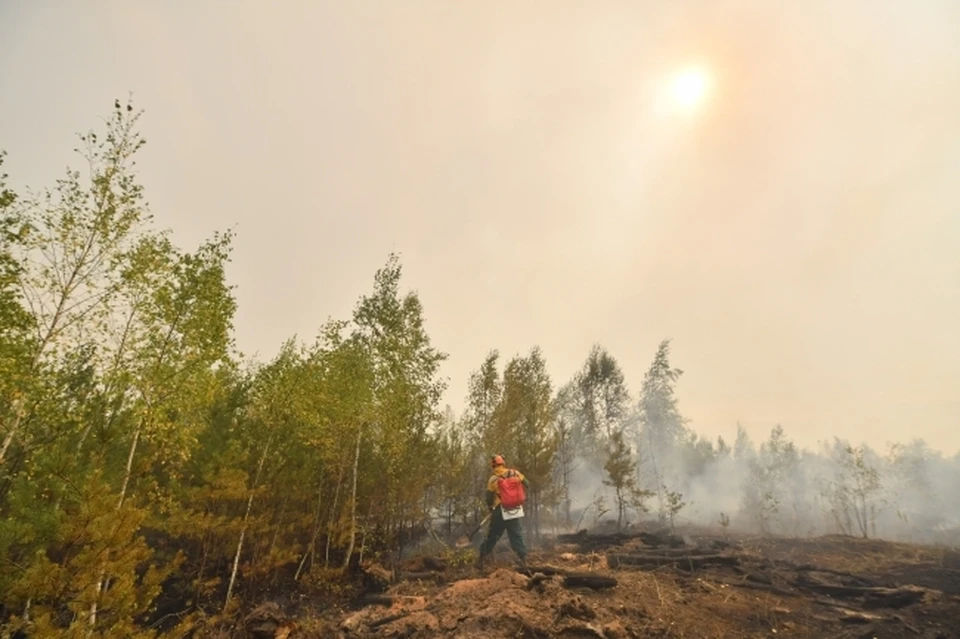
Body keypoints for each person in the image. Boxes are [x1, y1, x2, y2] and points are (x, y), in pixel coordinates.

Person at [478, 454, 529, 571]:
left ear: (493, 465)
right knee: (516, 535)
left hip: (499, 511)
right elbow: (527, 483)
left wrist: (490, 507)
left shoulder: (493, 479)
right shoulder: (515, 473)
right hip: (514, 510)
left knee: (493, 536)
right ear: (503, 463)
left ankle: (480, 560)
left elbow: (489, 498)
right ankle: (524, 560)